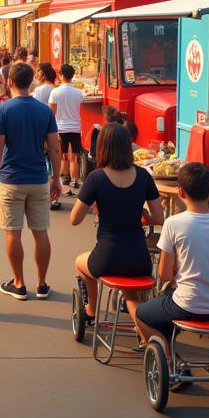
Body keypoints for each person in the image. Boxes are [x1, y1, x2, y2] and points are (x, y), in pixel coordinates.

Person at [136, 162, 209, 366]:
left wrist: (177, 271)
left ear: (180, 191)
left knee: (142, 314)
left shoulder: (173, 223)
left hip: (188, 305)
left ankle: (169, 359)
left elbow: (164, 274)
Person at [71, 122, 164, 337]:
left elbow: (74, 219)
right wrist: (145, 216)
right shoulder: (143, 176)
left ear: (102, 147)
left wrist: (95, 206)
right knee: (131, 295)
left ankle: (92, 310)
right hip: (139, 257)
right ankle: (145, 333)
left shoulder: (96, 178)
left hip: (108, 257)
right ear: (128, 146)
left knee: (80, 263)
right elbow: (158, 218)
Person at [0, 61, 61, 300]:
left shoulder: (2, 110)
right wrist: (57, 179)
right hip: (39, 177)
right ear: (31, 83)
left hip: (11, 178)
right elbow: (55, 148)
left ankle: (19, 283)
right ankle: (42, 283)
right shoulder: (44, 111)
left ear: (9, 82)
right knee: (41, 232)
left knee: (13, 233)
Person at [49, 64, 84, 204]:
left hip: (61, 128)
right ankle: (74, 182)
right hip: (75, 127)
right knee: (74, 158)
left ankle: (64, 185)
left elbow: (52, 113)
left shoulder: (55, 92)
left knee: (62, 157)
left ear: (61, 75)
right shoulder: (78, 92)